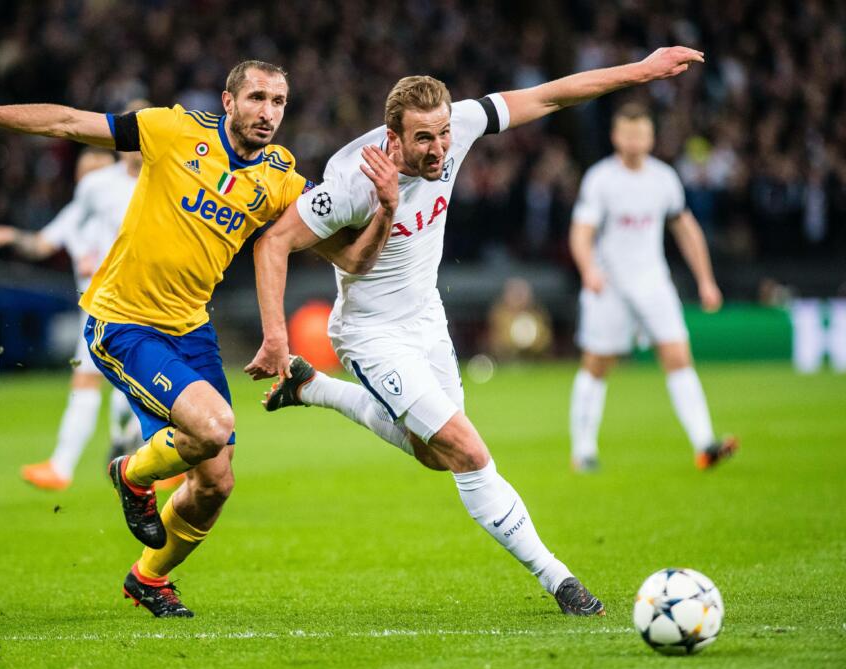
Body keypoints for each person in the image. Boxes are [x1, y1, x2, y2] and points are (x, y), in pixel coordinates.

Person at [0, 60, 396, 618]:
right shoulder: (174, 132)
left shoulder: (280, 181)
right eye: (258, 98)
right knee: (215, 427)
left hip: (190, 329)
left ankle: (148, 577)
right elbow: (71, 122)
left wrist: (386, 210)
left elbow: (349, 257)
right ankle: (131, 472)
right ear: (228, 100)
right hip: (122, 322)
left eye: (279, 102)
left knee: (216, 483)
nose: (268, 112)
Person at [249, 46, 706, 616]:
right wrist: (276, 336)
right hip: (371, 334)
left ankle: (312, 388)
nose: (439, 148)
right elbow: (280, 246)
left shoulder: (457, 125)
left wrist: (639, 70)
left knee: (433, 456)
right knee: (467, 451)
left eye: (443, 134)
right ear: (392, 137)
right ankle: (562, 581)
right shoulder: (351, 180)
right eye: (423, 139)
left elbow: (550, 94)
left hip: (426, 319)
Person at [567, 103, 737, 472]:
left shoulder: (663, 178)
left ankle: (704, 444)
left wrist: (706, 280)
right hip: (609, 284)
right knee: (598, 363)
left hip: (653, 281)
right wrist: (589, 270)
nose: (635, 140)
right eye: (628, 133)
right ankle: (583, 451)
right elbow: (582, 232)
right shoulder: (601, 179)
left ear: (651, 137)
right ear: (615, 136)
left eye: (641, 133)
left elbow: (685, 228)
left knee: (678, 356)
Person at [0, 145, 147, 491]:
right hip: (93, 309)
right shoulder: (77, 214)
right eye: (84, 172)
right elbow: (42, 244)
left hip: (123, 304)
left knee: (110, 382)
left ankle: (93, 459)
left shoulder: (131, 199)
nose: (89, 179)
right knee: (113, 383)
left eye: (97, 171)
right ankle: (130, 450)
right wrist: (12, 236)